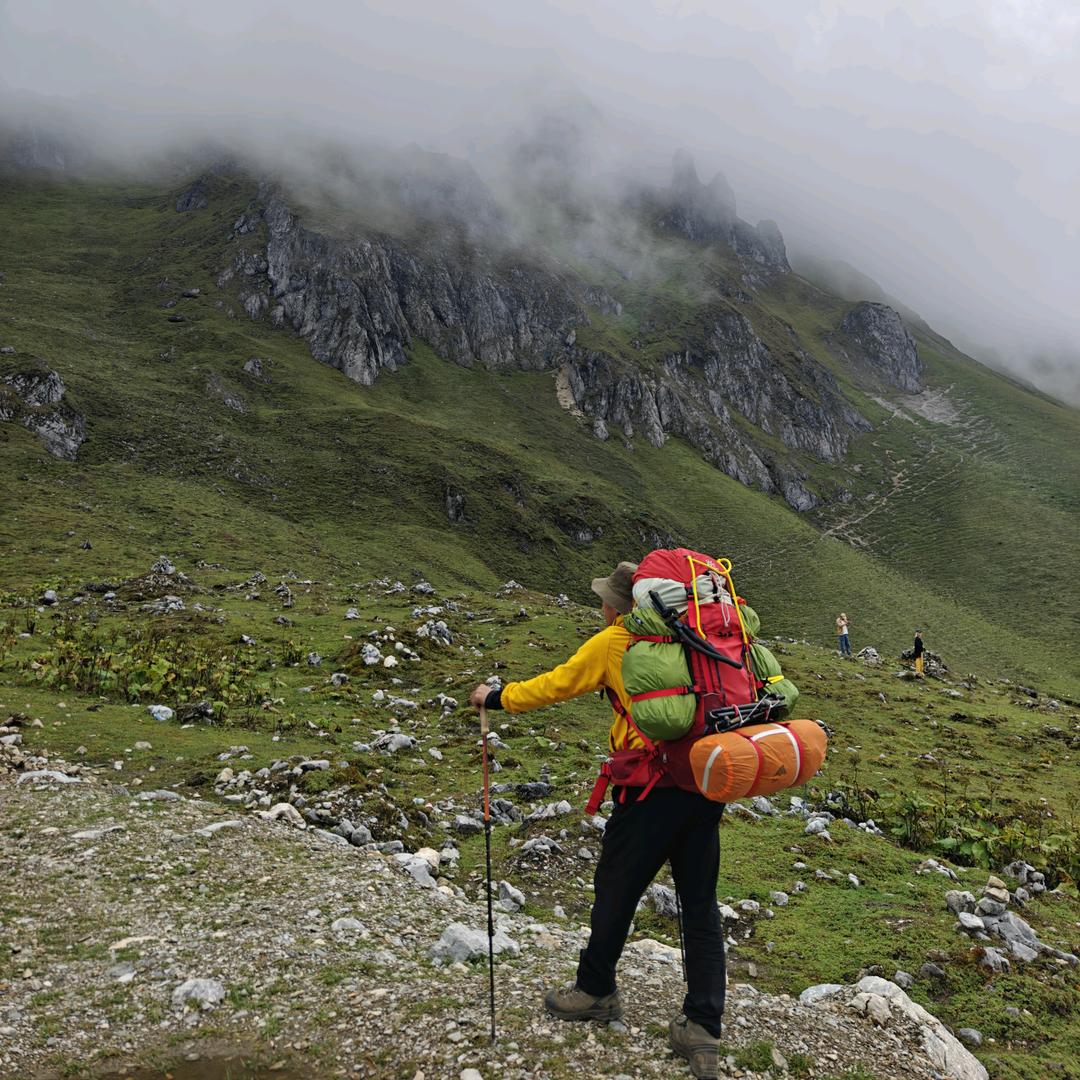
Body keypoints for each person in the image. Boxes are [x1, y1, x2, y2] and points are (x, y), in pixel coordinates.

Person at [469, 561, 728, 1080]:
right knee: (699, 905)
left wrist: (495, 696)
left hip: (647, 791)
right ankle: (702, 1027)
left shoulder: (615, 641)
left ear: (622, 606)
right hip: (703, 784)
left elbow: (555, 685)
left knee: (615, 891)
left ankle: (595, 992)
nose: (602, 605)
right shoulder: (694, 637)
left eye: (606, 599)